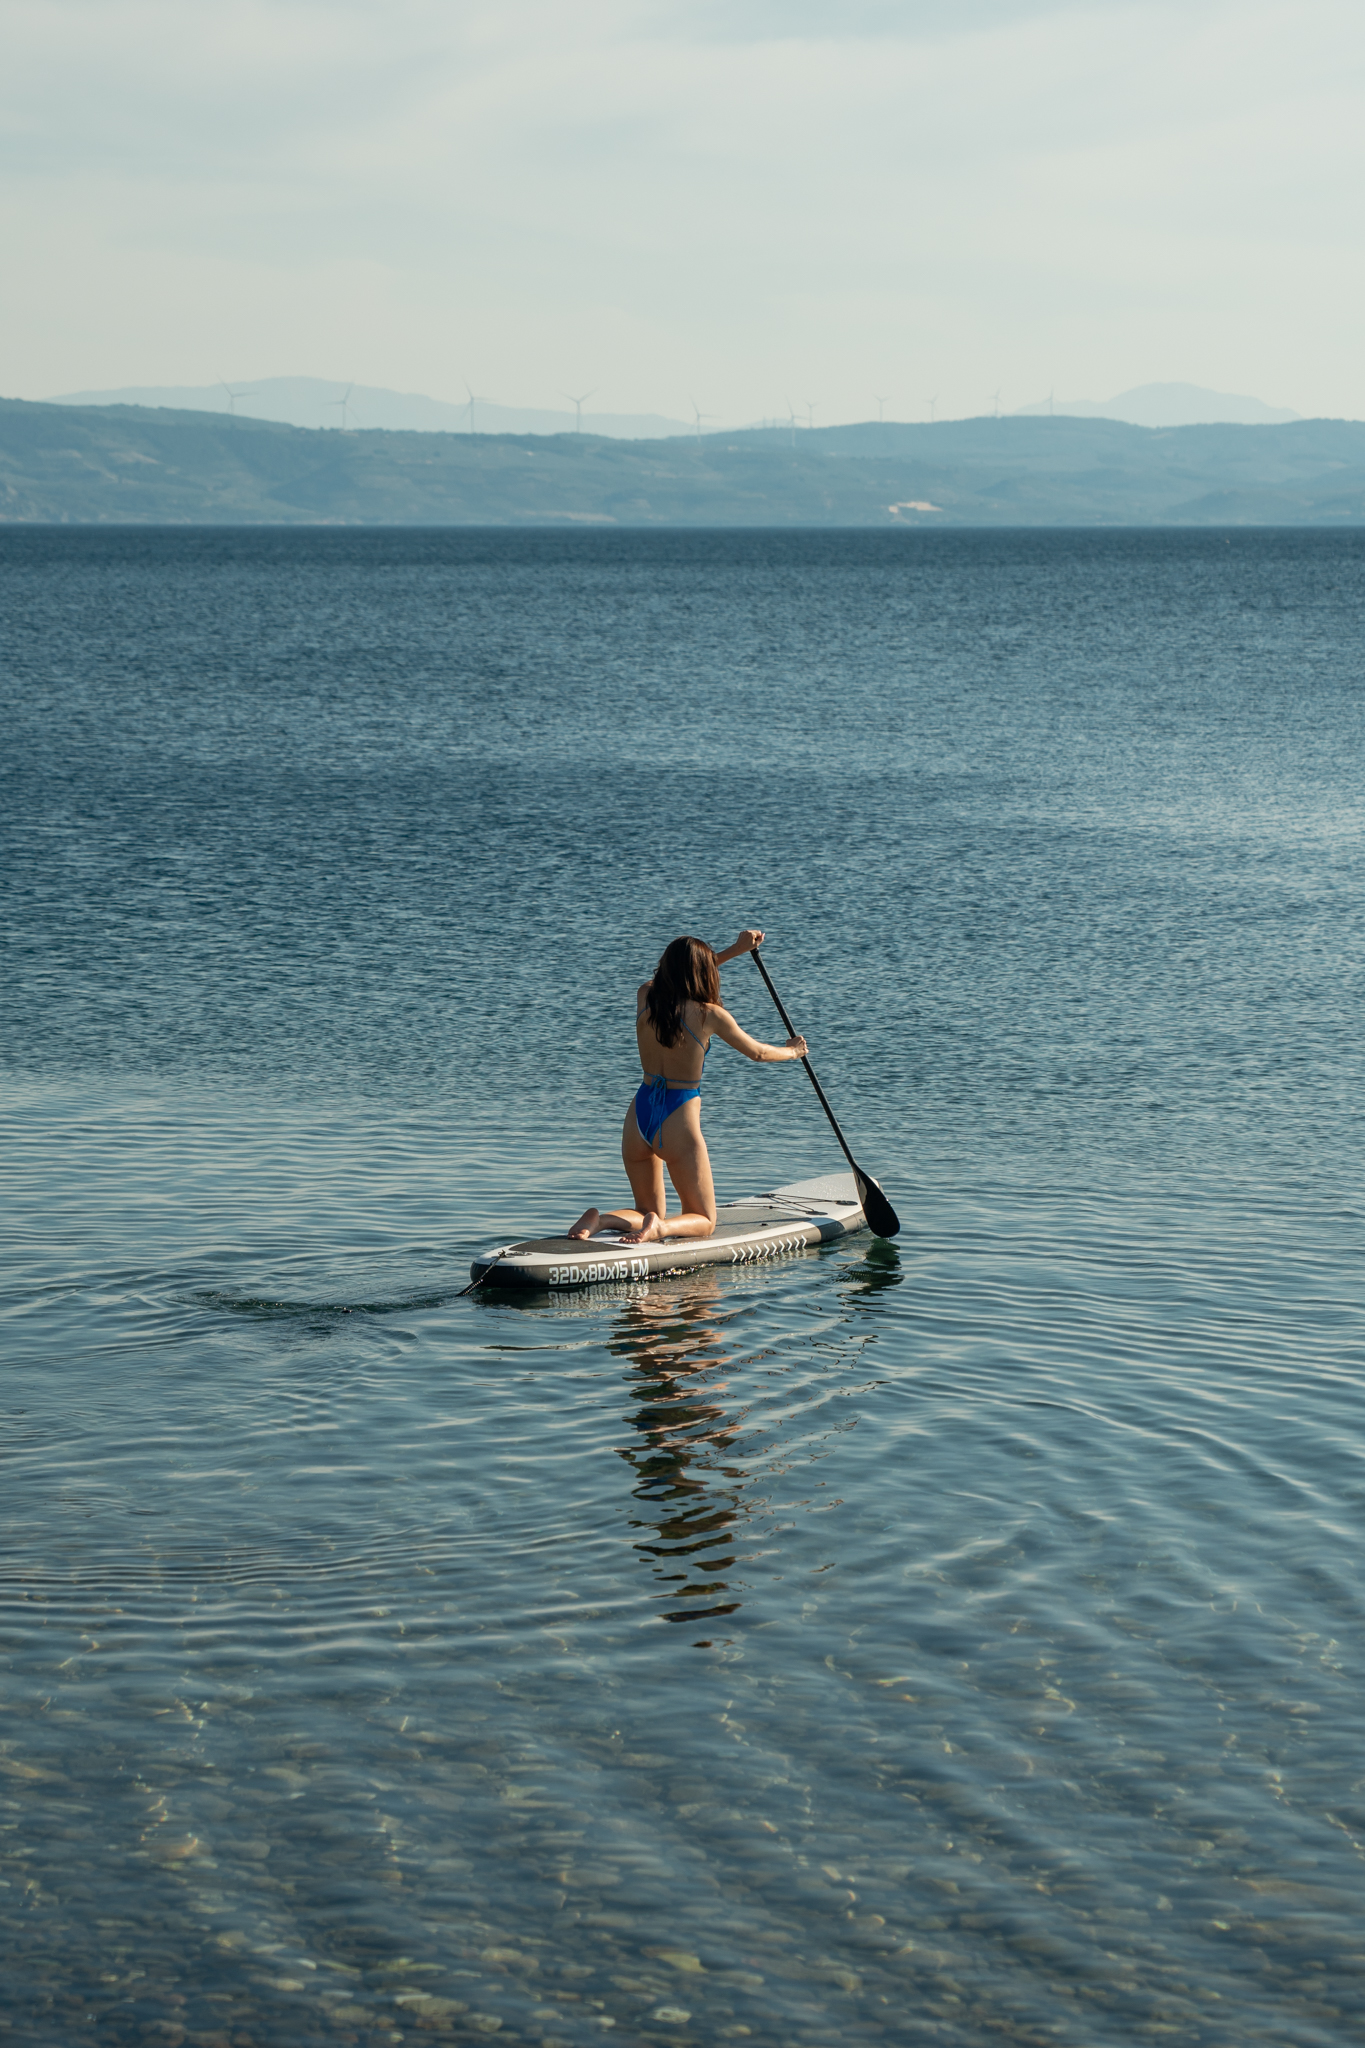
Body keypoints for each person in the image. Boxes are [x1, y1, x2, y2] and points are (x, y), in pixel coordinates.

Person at [567, 928, 807, 1247]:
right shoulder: (710, 1015)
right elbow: (759, 1053)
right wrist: (793, 1051)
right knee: (705, 1219)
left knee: (646, 1209)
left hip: (639, 1114)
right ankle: (661, 1229)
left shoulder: (646, 995)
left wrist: (735, 949)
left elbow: (682, 979)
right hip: (677, 1117)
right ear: (705, 973)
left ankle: (602, 1220)